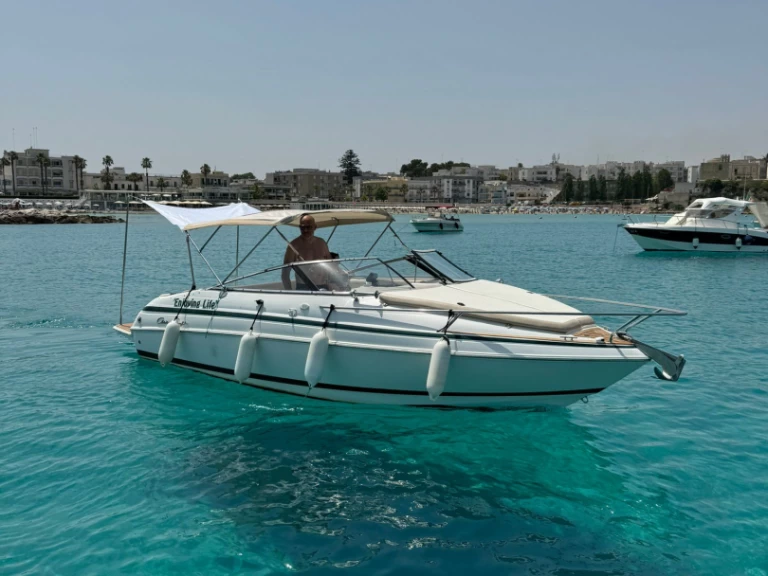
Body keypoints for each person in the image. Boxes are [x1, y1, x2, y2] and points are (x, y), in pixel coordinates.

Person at [281, 214, 331, 290]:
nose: (305, 230)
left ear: (315, 227)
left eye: (308, 227)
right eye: (303, 227)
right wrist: (290, 293)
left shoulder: (322, 243)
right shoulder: (293, 246)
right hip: (303, 287)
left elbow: (331, 266)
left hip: (323, 286)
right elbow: (285, 274)